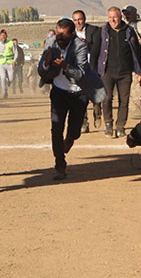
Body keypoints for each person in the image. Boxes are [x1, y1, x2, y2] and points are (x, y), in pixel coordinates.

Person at [37, 18, 100, 180]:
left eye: (63, 35)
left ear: (72, 34)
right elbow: (41, 70)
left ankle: (71, 137)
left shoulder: (80, 47)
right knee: (56, 128)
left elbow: (81, 73)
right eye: (58, 33)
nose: (59, 37)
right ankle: (60, 165)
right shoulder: (51, 44)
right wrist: (46, 63)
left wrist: (65, 66)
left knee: (75, 130)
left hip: (78, 93)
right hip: (59, 92)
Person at [96, 7, 141, 139]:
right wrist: (95, 70)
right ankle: (108, 124)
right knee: (107, 98)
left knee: (124, 100)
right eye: (110, 17)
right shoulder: (103, 31)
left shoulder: (129, 31)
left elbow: (136, 52)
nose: (113, 20)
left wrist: (138, 70)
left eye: (115, 17)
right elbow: (95, 51)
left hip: (125, 72)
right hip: (107, 72)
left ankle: (120, 127)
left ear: (120, 17)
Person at [72, 10, 103, 130]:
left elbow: (97, 48)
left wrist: (85, 45)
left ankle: (97, 114)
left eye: (79, 19)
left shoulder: (94, 30)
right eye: (75, 20)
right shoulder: (71, 33)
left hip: (92, 67)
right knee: (81, 96)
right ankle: (84, 123)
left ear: (84, 19)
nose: (78, 22)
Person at [0, 29, 15, 99]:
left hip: (9, 63)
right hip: (1, 64)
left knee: (11, 78)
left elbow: (16, 52)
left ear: (6, 36)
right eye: (2, 35)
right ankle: (4, 92)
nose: (3, 37)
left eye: (4, 35)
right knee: (2, 78)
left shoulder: (11, 43)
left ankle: (9, 81)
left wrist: (14, 60)